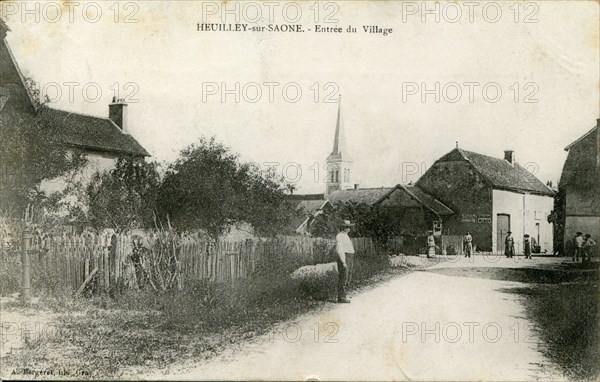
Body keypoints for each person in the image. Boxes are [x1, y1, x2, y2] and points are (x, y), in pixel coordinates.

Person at [335, 219, 355, 303]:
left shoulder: (346, 236)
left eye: (349, 227)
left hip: (350, 257)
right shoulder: (339, 236)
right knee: (344, 277)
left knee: (348, 276)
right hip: (345, 257)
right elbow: (340, 250)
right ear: (342, 227)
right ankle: (341, 297)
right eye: (346, 227)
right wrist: (343, 261)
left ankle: (344, 294)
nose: (348, 228)